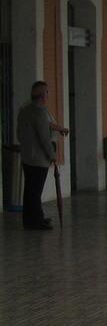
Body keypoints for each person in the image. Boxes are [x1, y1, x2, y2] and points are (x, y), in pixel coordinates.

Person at [17, 81, 68, 230]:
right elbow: (44, 137)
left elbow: (19, 133)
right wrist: (51, 155)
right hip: (39, 158)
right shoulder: (39, 112)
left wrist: (59, 128)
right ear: (41, 96)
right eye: (46, 92)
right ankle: (35, 221)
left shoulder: (25, 110)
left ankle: (32, 218)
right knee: (35, 190)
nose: (48, 95)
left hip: (27, 155)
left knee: (30, 189)